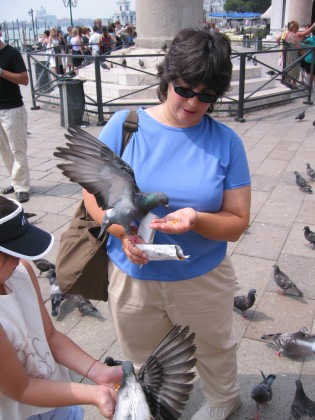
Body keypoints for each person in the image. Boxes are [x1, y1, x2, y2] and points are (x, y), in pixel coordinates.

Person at [84, 28, 251, 420]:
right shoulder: (125, 127)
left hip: (202, 276)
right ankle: (153, 406)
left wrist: (197, 219)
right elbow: (92, 197)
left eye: (207, 95)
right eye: (185, 88)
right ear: (167, 78)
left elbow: (237, 222)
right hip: (133, 274)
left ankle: (224, 401)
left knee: (215, 348)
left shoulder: (227, 142)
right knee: (144, 356)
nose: (194, 102)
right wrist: (123, 234)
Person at [0, 196, 122, 419]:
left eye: (18, 249)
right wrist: (94, 395)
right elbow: (21, 388)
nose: (17, 259)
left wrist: (99, 371)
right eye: (3, 256)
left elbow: (50, 336)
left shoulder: (22, 272)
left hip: (57, 397)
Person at [0, 32, 30, 203]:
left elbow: (24, 79)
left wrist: (1, 72)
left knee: (17, 149)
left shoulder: (12, 53)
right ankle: (15, 180)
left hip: (12, 108)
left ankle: (22, 187)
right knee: (4, 150)